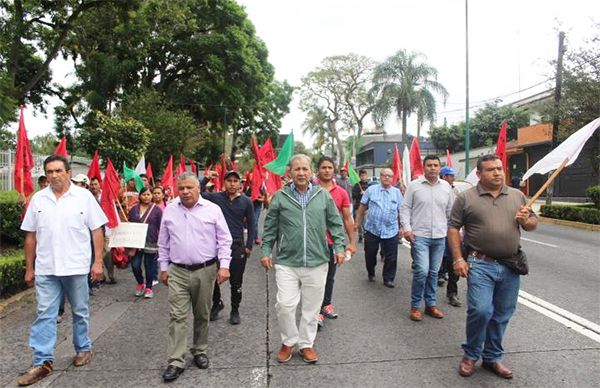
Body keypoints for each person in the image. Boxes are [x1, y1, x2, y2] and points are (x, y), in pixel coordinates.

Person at [17, 155, 107, 387]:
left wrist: (98, 262)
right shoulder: (38, 200)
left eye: (58, 170)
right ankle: (42, 361)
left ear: (68, 172)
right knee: (45, 314)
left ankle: (83, 348)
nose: (54, 175)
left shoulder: (84, 197)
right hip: (47, 268)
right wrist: (29, 267)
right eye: (49, 171)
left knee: (80, 311)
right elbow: (31, 236)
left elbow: (97, 231)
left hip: (76, 266)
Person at [449, 155, 537, 379]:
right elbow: (452, 229)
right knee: (480, 310)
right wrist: (458, 259)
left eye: (499, 168)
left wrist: (526, 220)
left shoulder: (517, 195)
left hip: (510, 265)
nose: (497, 173)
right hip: (480, 263)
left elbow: (532, 225)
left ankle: (492, 357)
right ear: (479, 174)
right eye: (491, 170)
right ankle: (470, 355)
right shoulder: (466, 198)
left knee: (502, 314)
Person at [260, 154, 345, 364]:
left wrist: (340, 247)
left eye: (305, 169)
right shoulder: (280, 197)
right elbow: (270, 227)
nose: (301, 173)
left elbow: (335, 223)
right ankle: (288, 341)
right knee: (285, 305)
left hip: (317, 261)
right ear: (289, 172)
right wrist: (265, 251)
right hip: (287, 262)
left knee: (312, 308)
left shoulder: (322, 196)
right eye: (297, 169)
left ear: (311, 172)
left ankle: (306, 344)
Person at [157, 172, 232, 382]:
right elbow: (163, 243)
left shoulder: (213, 210)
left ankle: (199, 350)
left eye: (189, 187)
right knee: (177, 316)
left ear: (198, 188)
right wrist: (164, 268)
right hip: (178, 271)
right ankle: (175, 360)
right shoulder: (170, 210)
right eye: (181, 188)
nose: (185, 192)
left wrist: (224, 266)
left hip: (205, 270)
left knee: (202, 313)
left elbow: (224, 240)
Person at [401, 155, 454, 321]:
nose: (432, 168)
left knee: (433, 272)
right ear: (424, 167)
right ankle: (415, 306)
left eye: (435, 165)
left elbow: (450, 211)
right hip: (420, 236)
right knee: (422, 270)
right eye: (429, 165)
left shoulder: (446, 187)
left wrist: (454, 230)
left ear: (440, 168)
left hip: (440, 236)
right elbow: (405, 208)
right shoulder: (414, 186)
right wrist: (407, 229)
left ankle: (430, 304)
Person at [203, 170, 255, 325]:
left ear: (240, 183)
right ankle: (217, 303)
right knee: (212, 278)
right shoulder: (215, 198)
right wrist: (207, 178)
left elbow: (252, 224)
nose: (232, 184)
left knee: (236, 282)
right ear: (223, 182)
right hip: (217, 247)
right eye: (229, 180)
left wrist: (249, 246)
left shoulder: (246, 202)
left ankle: (235, 309)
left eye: (235, 181)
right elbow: (196, 191)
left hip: (237, 247)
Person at [314, 157, 356, 329]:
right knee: (315, 278)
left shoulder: (341, 193)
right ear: (318, 170)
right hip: (313, 242)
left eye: (330, 167)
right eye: (323, 167)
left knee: (329, 277)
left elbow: (347, 218)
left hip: (333, 243)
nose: (326, 170)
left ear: (334, 171)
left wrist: (352, 242)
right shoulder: (310, 190)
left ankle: (326, 305)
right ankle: (315, 311)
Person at [354, 168, 403, 287]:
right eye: (384, 175)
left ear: (392, 179)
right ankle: (371, 272)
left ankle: (388, 278)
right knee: (370, 255)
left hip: (391, 230)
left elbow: (401, 211)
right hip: (372, 229)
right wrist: (357, 223)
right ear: (380, 177)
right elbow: (362, 207)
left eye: (389, 176)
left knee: (391, 257)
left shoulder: (397, 193)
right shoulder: (371, 190)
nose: (387, 178)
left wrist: (402, 227)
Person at [128, 186, 163, 299]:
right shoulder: (133, 210)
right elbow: (129, 225)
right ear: (140, 196)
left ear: (151, 196)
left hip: (151, 241)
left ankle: (148, 287)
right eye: (144, 194)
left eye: (148, 194)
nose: (146, 197)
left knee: (149, 266)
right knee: (135, 265)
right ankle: (140, 283)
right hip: (136, 242)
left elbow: (161, 227)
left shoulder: (157, 210)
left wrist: (162, 242)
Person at [437, 166, 462, 307]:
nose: (453, 178)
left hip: (454, 230)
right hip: (437, 231)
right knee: (440, 258)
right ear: (444, 176)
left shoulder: (456, 191)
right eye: (451, 176)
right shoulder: (434, 189)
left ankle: (452, 293)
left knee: (455, 260)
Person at [351, 169, 371, 243]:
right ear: (359, 176)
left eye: (364, 175)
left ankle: (366, 235)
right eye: (362, 176)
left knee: (366, 223)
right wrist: (360, 193)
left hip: (367, 208)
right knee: (359, 224)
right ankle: (360, 234)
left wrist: (366, 193)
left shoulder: (369, 186)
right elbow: (353, 196)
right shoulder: (356, 186)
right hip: (358, 207)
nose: (363, 177)